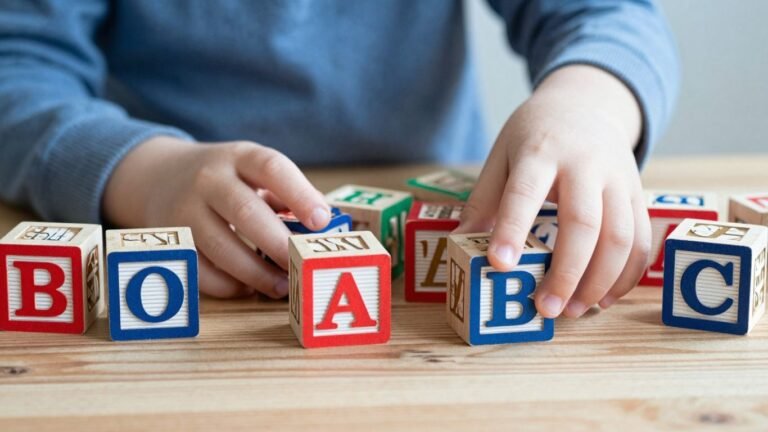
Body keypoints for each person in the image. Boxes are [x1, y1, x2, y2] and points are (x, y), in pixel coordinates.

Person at [0, 1, 679, 318]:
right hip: (194, 251)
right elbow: (18, 70)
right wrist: (139, 172)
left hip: (442, 241)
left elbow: (608, 13)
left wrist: (592, 98)